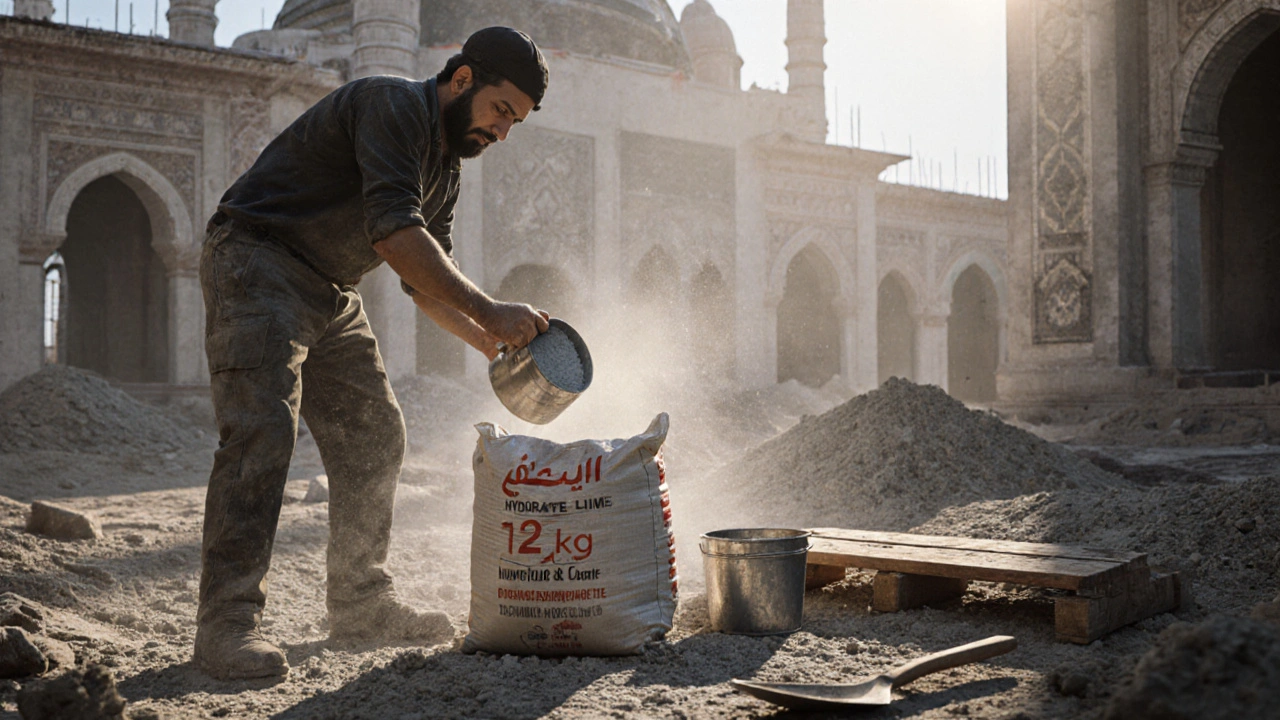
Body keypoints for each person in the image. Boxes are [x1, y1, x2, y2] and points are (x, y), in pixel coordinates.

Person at [193, 27, 551, 680]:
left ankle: (359, 603)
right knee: (261, 429)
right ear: (464, 79)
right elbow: (394, 234)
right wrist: (492, 309)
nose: (503, 132)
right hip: (258, 258)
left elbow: (423, 280)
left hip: (329, 288)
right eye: (502, 111)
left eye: (516, 124)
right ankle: (227, 623)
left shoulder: (444, 171)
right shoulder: (391, 105)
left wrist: (489, 342)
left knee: (375, 431)